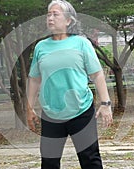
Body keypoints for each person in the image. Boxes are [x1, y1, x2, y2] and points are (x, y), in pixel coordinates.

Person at [27, 0, 113, 168]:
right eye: (48, 15)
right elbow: (34, 79)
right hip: (51, 113)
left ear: (68, 20)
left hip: (81, 111)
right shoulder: (41, 47)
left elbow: (97, 74)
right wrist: (29, 108)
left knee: (90, 159)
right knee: (49, 162)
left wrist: (106, 103)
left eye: (55, 14)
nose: (50, 18)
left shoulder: (81, 43)